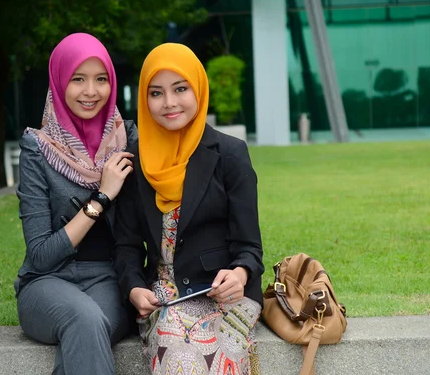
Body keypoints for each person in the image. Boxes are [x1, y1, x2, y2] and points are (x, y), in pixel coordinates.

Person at [113, 43, 264, 375]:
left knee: (219, 356)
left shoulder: (229, 154)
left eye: (180, 89)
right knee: (174, 348)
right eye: (156, 92)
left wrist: (239, 275)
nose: (169, 102)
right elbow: (125, 246)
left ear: (198, 88)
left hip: (225, 296)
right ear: (143, 98)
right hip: (165, 298)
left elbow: (250, 248)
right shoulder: (135, 162)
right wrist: (135, 289)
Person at [14, 32, 137, 375]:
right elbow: (40, 256)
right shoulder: (37, 149)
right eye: (78, 79)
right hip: (45, 284)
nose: (91, 92)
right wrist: (101, 196)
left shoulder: (128, 139)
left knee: (86, 329)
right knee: (83, 319)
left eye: (101, 80)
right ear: (58, 81)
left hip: (109, 281)